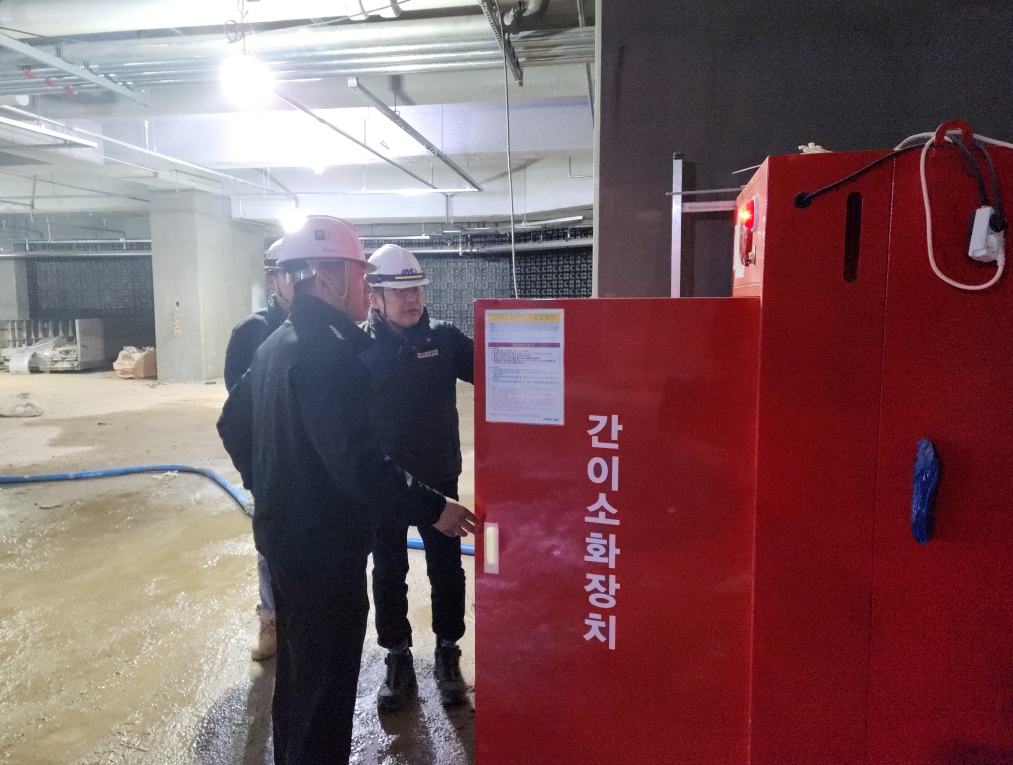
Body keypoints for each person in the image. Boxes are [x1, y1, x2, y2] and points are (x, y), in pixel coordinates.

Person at [217, 216, 476, 765]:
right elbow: (359, 466)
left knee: (298, 683)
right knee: (326, 692)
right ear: (330, 278)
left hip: (287, 544)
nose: (366, 284)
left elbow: (232, 426)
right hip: (324, 552)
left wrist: (273, 490)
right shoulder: (330, 353)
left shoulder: (278, 341)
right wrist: (434, 507)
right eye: (361, 274)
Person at [358, 244, 474, 711]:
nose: (412, 300)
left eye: (417, 290)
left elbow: (496, 372)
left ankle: (447, 649)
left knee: (447, 569)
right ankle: (398, 656)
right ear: (374, 298)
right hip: (386, 485)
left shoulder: (444, 340)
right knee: (389, 572)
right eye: (400, 292)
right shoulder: (357, 350)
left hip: (440, 478)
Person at [222, 241, 295, 662]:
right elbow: (237, 413)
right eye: (291, 275)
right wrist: (255, 474)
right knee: (270, 548)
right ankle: (270, 620)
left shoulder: (326, 329)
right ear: (273, 280)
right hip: (271, 466)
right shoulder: (252, 332)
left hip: (310, 463)